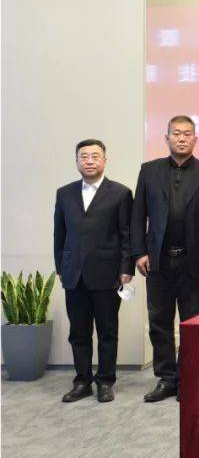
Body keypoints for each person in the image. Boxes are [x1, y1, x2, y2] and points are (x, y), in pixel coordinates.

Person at [132, 116, 199, 402]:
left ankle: (189, 378)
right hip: (157, 260)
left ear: (195, 138)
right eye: (176, 134)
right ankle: (167, 378)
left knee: (192, 322)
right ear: (166, 138)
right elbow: (138, 215)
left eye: (187, 134)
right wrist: (139, 252)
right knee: (159, 320)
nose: (182, 138)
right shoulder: (149, 170)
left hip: (193, 260)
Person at [53, 139, 133, 403]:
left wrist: (126, 268)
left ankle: (106, 381)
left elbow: (126, 235)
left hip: (108, 274)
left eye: (95, 156)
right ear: (77, 161)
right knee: (79, 333)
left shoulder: (120, 193)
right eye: (84, 156)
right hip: (74, 275)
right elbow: (59, 234)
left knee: (107, 332)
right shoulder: (64, 193)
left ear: (105, 161)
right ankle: (82, 381)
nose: (89, 161)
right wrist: (61, 267)